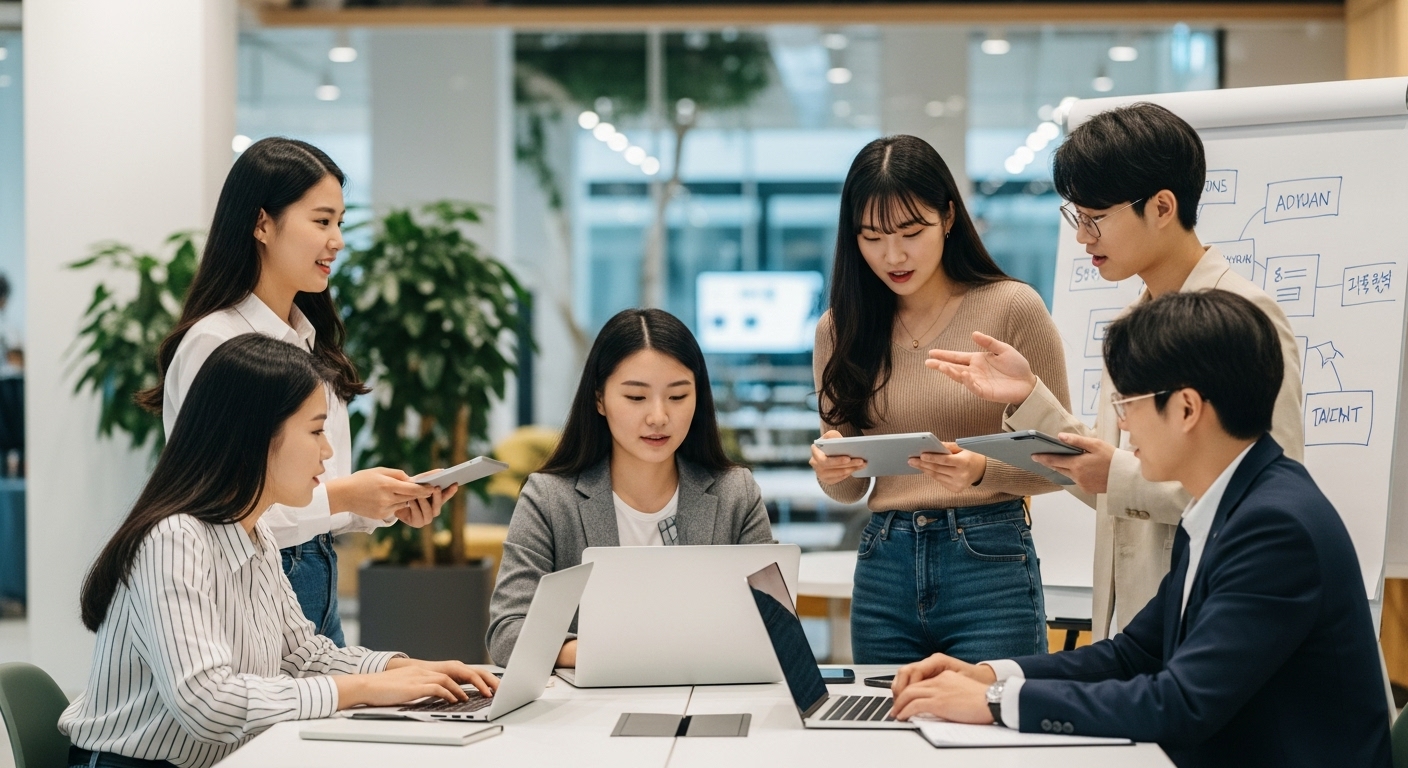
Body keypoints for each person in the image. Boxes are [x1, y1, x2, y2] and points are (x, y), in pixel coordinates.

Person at [889, 291, 1390, 768]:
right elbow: (1134, 654)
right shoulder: (1228, 504)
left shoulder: (1274, 529)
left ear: (1187, 408)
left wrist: (996, 701)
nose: (1123, 425)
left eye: (1128, 403)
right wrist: (987, 675)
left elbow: (1181, 703)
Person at [928, 103, 1304, 639]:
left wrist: (1118, 475)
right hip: (1136, 629)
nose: (1083, 237)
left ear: (1162, 207)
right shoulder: (1134, 322)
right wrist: (1029, 396)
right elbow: (1110, 479)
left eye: (1096, 218)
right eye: (1076, 217)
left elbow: (1270, 491)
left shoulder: (1246, 317)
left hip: (1216, 621)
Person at [60, 334, 500, 768]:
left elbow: (300, 656)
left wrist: (410, 670)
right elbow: (207, 702)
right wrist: (363, 689)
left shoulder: (256, 532)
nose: (327, 451)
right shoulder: (173, 539)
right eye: (315, 431)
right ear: (254, 434)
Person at [137, 137, 452, 647]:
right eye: (322, 221)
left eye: (340, 223)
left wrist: (383, 502)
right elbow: (218, 507)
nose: (338, 241)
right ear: (262, 224)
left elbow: (316, 489)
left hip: (316, 573)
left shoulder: (308, 337)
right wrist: (345, 495)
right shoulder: (216, 343)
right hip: (253, 581)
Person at [808, 135, 1069, 664]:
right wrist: (833, 470)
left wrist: (980, 471)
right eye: (872, 237)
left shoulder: (1012, 308)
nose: (893, 255)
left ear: (948, 217)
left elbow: (1064, 462)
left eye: (911, 232)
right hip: (884, 563)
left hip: (988, 560)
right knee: (884, 714)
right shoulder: (840, 329)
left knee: (995, 713)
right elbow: (848, 489)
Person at [488, 308, 774, 667]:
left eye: (678, 396)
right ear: (599, 399)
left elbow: (776, 627)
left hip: (705, 693)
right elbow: (508, 633)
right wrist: (616, 654)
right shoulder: (549, 499)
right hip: (591, 699)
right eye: (636, 398)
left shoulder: (736, 494)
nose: (658, 417)